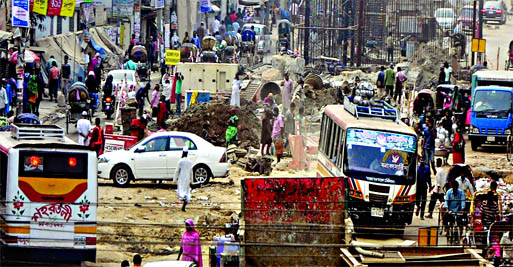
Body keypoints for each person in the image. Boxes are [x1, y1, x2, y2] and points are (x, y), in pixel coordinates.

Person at [174, 147, 193, 212]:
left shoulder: (180, 161)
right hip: (187, 179)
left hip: (181, 178)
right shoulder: (189, 162)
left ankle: (183, 198)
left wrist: (174, 179)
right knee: (187, 191)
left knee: (181, 190)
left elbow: (177, 171)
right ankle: (185, 200)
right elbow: (191, 172)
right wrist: (192, 180)